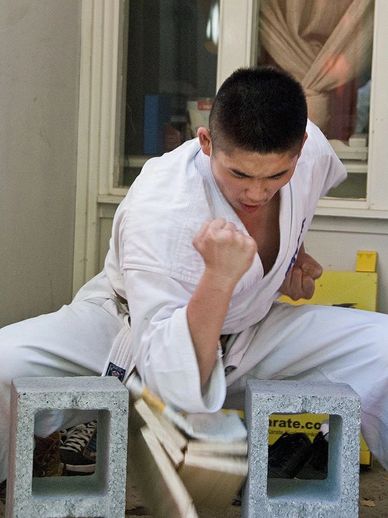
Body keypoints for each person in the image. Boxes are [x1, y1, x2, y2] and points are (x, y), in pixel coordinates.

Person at [1, 66, 388, 484]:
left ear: (301, 148)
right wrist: (219, 280)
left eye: (277, 175)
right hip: (127, 329)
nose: (257, 193)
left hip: (249, 333)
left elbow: (300, 197)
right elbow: (172, 378)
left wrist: (289, 258)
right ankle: (50, 438)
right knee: (4, 365)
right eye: (239, 174)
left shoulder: (308, 153)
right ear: (206, 142)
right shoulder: (163, 207)